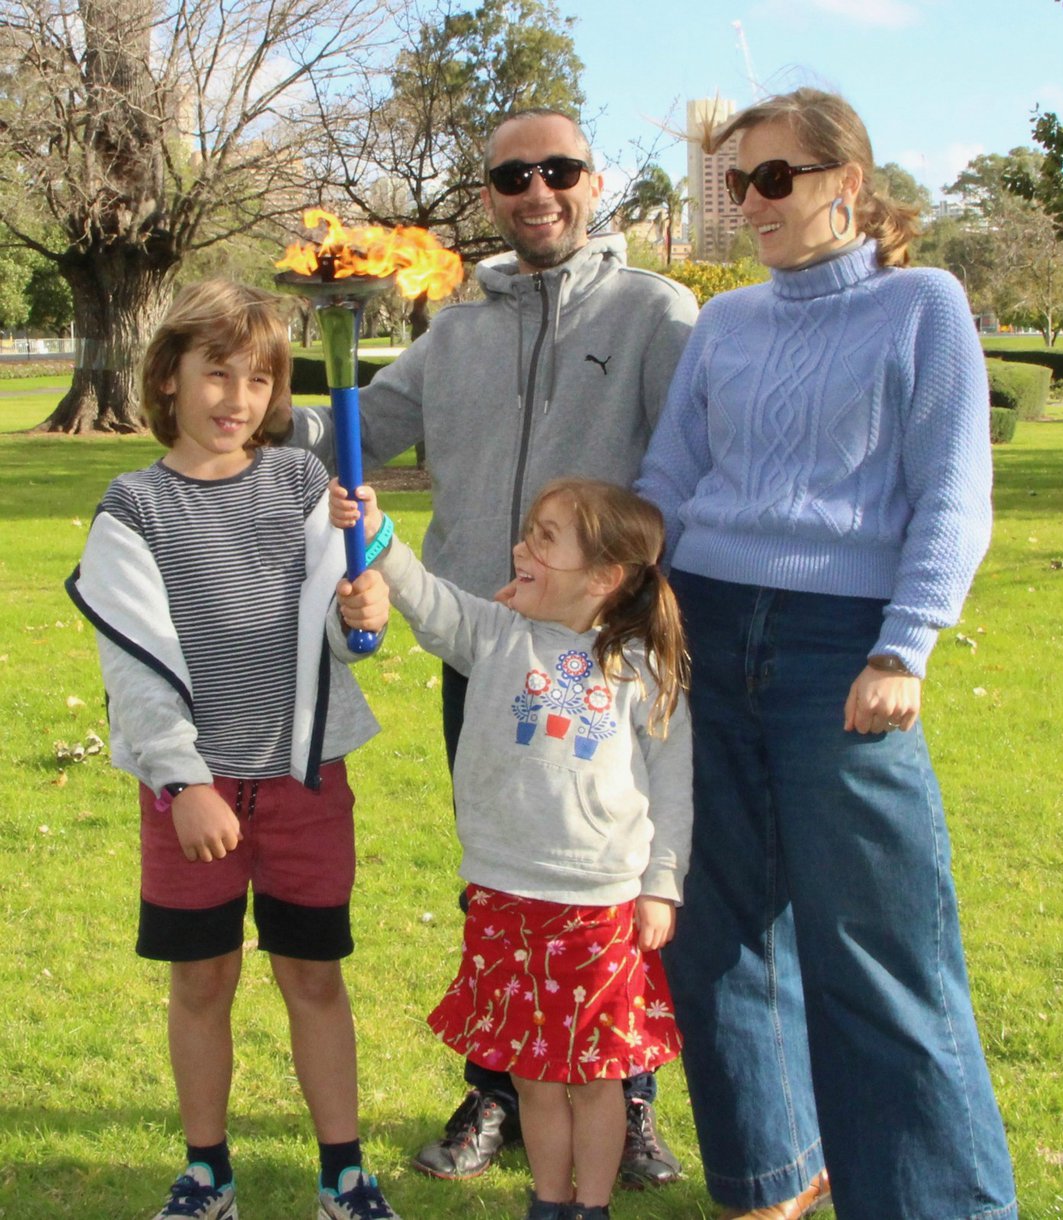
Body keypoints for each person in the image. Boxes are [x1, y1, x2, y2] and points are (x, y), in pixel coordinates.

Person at [288, 107, 699, 1186]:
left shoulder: (656, 311)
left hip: (608, 657)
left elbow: (699, 465)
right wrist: (242, 410)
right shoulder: (457, 327)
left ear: (593, 182)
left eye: (558, 169)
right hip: (488, 651)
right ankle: (498, 1087)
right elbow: (360, 430)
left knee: (610, 875)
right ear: (489, 196)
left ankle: (625, 1093)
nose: (537, 191)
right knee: (503, 878)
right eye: (513, 176)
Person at [636, 88, 1018, 1220]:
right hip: (703, 632)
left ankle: (934, 1202)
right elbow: (671, 478)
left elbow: (952, 490)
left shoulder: (921, 305)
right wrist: (615, 577)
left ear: (846, 181)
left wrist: (904, 646)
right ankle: (770, 1175)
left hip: (840, 651)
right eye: (736, 181)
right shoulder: (725, 323)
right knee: (712, 934)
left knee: (878, 948)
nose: (750, 202)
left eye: (773, 177)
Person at [65, 280, 398, 1220]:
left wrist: (363, 612)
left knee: (314, 977)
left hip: (304, 783)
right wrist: (184, 782)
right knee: (202, 980)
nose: (237, 399)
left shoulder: (300, 485)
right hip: (195, 796)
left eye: (259, 380)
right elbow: (135, 665)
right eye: (216, 374)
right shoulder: (134, 507)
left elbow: (344, 632)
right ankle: (207, 1171)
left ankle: (344, 1174)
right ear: (168, 376)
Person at [332, 475, 692, 1220]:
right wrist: (377, 535)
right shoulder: (495, 634)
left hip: (599, 907)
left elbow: (672, 786)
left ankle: (591, 1206)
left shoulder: (642, 668)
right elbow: (427, 598)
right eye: (527, 534)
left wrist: (661, 883)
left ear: (603, 577)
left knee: (595, 1076)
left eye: (544, 540)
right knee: (532, 1073)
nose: (521, 550)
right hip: (504, 894)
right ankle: (549, 1202)